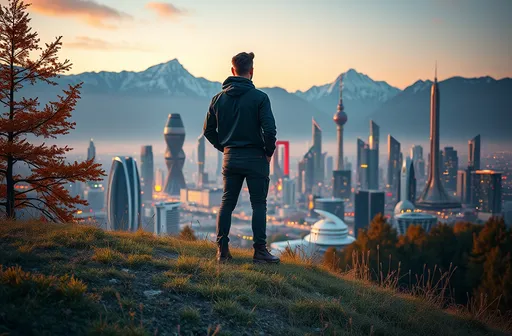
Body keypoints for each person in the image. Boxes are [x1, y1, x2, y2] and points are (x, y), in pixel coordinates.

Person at [203, 52, 280, 264]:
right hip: (256, 157)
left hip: (231, 158)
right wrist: (268, 152)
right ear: (252, 71)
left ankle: (222, 251)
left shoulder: (217, 99)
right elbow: (270, 130)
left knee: (227, 203)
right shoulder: (260, 98)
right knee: (258, 205)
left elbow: (208, 131)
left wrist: (225, 148)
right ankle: (260, 252)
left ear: (232, 71)